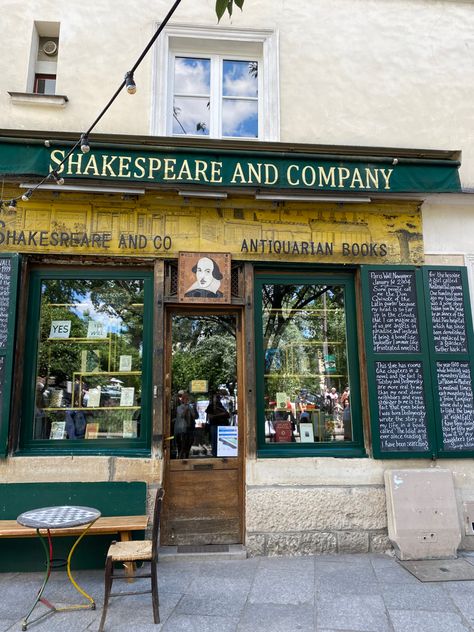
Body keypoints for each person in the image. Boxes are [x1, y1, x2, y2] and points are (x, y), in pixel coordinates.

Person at [173, 391, 198, 459]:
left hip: (190, 428)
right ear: (183, 400)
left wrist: (193, 408)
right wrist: (186, 408)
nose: (187, 400)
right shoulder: (179, 407)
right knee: (181, 446)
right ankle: (180, 459)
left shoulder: (190, 407)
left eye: (188, 399)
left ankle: (186, 459)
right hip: (182, 430)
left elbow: (195, 416)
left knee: (188, 446)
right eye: (186, 399)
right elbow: (182, 415)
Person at [206, 392, 230, 456]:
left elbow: (228, 414)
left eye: (218, 397)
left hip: (222, 425)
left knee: (222, 441)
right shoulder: (210, 406)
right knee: (215, 440)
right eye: (216, 397)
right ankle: (215, 454)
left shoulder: (221, 405)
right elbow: (210, 416)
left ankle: (221, 454)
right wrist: (221, 414)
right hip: (214, 425)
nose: (218, 399)